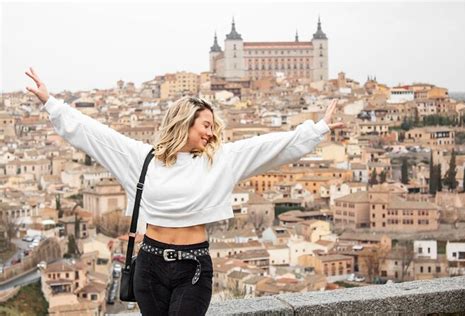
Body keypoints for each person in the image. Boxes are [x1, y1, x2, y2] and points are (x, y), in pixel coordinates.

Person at [26, 67, 344, 315]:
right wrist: (51, 103)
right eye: (206, 124)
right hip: (149, 266)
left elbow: (272, 147)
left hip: (193, 267)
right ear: (185, 123)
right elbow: (94, 134)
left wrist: (317, 129)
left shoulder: (220, 161)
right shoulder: (141, 158)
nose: (212, 132)